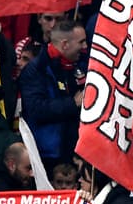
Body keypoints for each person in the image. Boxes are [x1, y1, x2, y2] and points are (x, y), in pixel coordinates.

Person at [18, 18, 87, 169]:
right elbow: (36, 109)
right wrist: (72, 103)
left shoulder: (81, 65)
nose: (85, 46)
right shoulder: (35, 70)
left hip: (76, 153)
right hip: (48, 156)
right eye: (81, 42)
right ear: (64, 44)